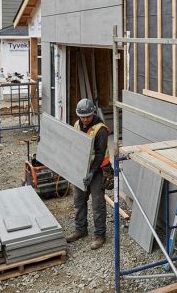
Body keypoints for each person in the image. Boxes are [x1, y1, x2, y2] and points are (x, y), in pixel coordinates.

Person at [65, 98, 111, 249]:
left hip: (98, 171)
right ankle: (80, 229)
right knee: (79, 201)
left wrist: (92, 172)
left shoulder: (101, 130)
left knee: (98, 204)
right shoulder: (77, 124)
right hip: (81, 169)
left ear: (93, 113)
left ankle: (99, 235)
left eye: (88, 116)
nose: (85, 119)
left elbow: (99, 154)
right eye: (82, 116)